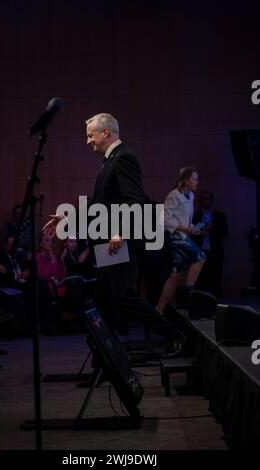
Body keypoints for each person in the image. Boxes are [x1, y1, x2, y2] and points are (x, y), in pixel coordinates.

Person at [43, 113, 175, 338]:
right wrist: (68, 218)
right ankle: (105, 355)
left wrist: (121, 232)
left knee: (121, 297)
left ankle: (174, 334)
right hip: (108, 242)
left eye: (90, 135)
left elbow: (135, 200)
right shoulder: (111, 159)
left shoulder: (124, 157)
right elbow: (99, 205)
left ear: (105, 132)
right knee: (106, 299)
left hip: (117, 242)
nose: (87, 141)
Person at [155, 167, 206, 315]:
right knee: (200, 257)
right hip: (175, 236)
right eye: (194, 179)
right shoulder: (174, 195)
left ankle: (159, 309)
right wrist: (184, 229)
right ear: (186, 180)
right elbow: (164, 220)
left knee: (176, 273)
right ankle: (188, 295)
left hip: (184, 235)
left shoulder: (190, 196)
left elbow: (184, 219)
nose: (197, 182)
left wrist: (192, 228)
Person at [192, 190, 228, 297]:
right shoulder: (195, 216)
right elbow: (190, 235)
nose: (205, 200)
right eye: (203, 198)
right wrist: (200, 233)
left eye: (208, 198)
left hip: (215, 254)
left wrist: (213, 228)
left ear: (212, 200)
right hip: (200, 254)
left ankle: (219, 308)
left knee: (215, 281)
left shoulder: (219, 216)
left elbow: (225, 233)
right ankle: (201, 308)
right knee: (200, 282)